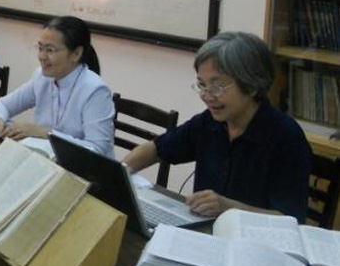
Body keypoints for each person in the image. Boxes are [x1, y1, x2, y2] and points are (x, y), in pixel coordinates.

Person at [123, 32, 311, 222]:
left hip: (255, 244)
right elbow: (157, 148)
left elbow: (289, 220)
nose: (206, 96)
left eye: (217, 87)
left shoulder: (286, 137)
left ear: (252, 85)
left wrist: (227, 208)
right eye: (201, 85)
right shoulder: (209, 123)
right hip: (204, 232)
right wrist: (121, 172)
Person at [0, 16, 115, 157]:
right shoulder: (41, 77)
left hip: (83, 171)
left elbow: (97, 150)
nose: (41, 56)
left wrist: (45, 133)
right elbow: (4, 104)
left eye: (50, 50)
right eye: (40, 48)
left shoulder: (95, 91)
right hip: (46, 160)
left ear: (76, 53)